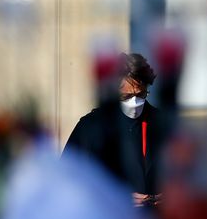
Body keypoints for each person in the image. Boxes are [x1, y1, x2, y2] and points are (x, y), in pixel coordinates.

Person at [62, 53, 165, 207]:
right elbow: (68, 177)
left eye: (141, 95)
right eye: (126, 96)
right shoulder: (91, 127)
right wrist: (117, 196)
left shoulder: (161, 123)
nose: (134, 102)